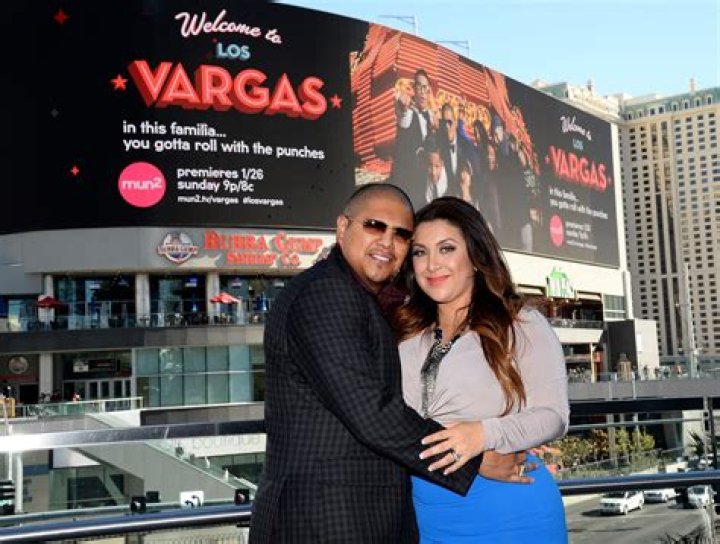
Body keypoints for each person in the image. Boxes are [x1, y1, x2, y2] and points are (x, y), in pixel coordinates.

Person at [250, 184, 531, 544]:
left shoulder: (366, 299)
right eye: (374, 226)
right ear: (342, 227)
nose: (387, 242)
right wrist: (470, 457)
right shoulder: (327, 292)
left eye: (401, 235)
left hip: (357, 514)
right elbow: (370, 410)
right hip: (325, 518)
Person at [395, 196, 570, 542]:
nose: (432, 264)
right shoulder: (404, 332)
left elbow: (554, 416)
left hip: (510, 509)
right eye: (420, 252)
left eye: (446, 249)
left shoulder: (520, 323)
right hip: (426, 513)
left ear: (475, 256)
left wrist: (483, 434)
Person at [392, 69, 438, 204]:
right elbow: (403, 116)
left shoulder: (431, 117)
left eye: (425, 88)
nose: (423, 92)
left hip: (425, 187)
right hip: (405, 186)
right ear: (414, 89)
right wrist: (402, 106)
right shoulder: (409, 113)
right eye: (419, 87)